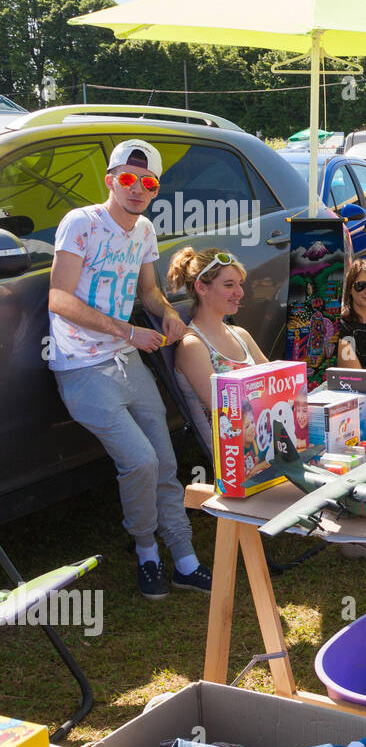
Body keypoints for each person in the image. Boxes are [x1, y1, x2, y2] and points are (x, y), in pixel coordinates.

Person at [46, 138, 211, 600]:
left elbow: (148, 293)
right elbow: (59, 298)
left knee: (164, 460)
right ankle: (146, 552)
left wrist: (168, 315)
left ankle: (185, 559)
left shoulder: (143, 231)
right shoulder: (82, 222)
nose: (137, 188)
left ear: (155, 189)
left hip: (124, 360)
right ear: (110, 180)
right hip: (81, 366)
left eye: (148, 182)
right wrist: (129, 332)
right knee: (139, 462)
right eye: (127, 179)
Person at [169, 248, 268, 426]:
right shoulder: (193, 345)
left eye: (240, 284)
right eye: (229, 285)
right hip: (231, 448)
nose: (240, 292)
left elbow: (276, 380)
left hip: (262, 430)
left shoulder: (240, 335)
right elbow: (224, 410)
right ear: (201, 287)